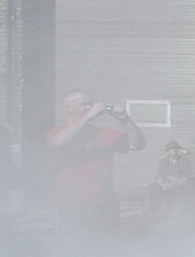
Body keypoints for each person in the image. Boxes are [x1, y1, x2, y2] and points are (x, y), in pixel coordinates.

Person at [46, 89, 144, 233]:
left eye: (90, 105)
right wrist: (88, 117)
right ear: (69, 107)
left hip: (104, 206)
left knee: (106, 251)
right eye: (84, 105)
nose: (89, 108)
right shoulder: (57, 132)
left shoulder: (103, 134)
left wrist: (126, 120)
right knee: (71, 249)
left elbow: (137, 145)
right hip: (70, 206)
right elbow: (58, 143)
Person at [147, 140, 195, 222]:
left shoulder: (185, 161)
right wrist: (162, 184)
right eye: (171, 148)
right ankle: (153, 213)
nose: (173, 150)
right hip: (165, 184)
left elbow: (185, 178)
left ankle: (180, 216)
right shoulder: (163, 161)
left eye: (175, 148)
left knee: (181, 191)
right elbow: (159, 176)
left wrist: (172, 185)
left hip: (179, 185)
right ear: (168, 151)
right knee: (152, 188)